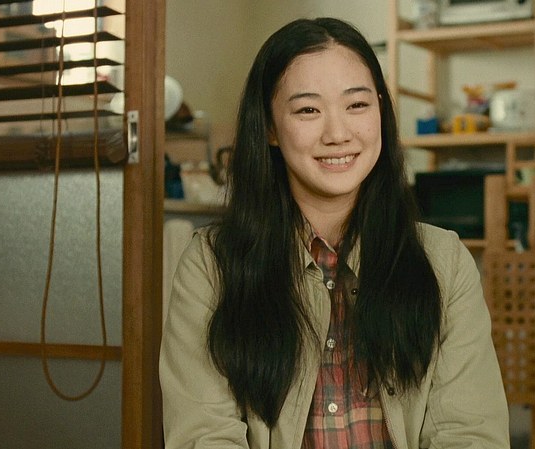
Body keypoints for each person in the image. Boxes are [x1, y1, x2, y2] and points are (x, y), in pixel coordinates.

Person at [159, 17, 510, 449]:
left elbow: (468, 434)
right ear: (269, 127)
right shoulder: (211, 266)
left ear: (380, 110)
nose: (338, 134)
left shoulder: (444, 263)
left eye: (357, 105)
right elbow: (204, 435)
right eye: (308, 110)